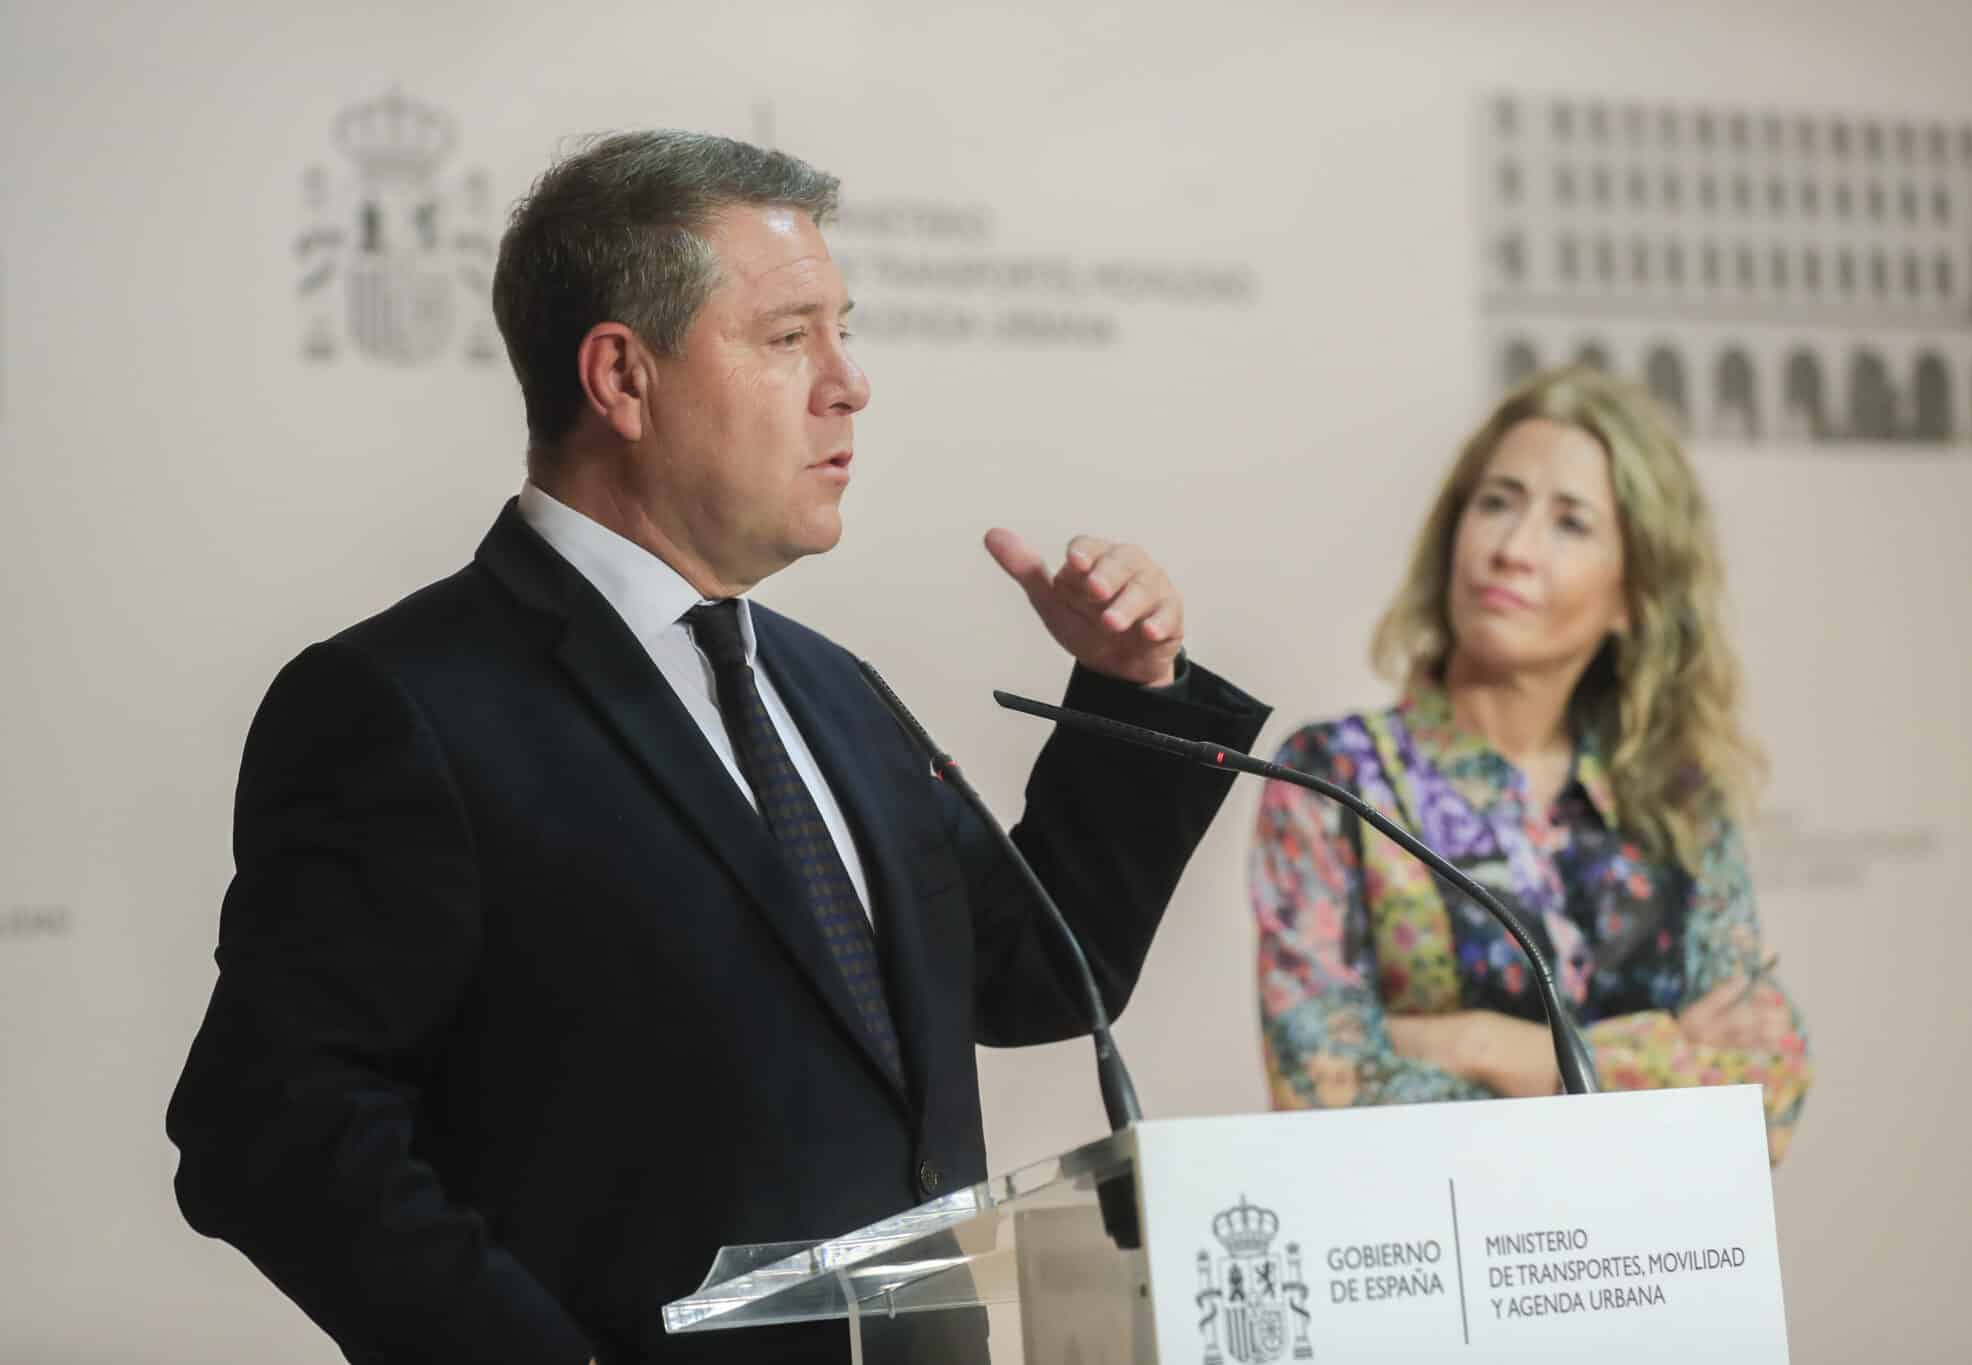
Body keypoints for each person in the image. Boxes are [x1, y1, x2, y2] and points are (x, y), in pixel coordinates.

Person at [167, 130, 1268, 1365]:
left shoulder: (827, 688)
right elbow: (274, 1127)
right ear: (621, 379)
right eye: (789, 336)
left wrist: (1128, 698)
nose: (848, 383)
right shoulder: (403, 705)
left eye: (844, 332)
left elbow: (1033, 978)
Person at [1250, 365, 1810, 1163]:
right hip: (1425, 1263)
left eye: (1570, 523)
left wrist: (1475, 1041)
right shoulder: (1333, 777)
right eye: (1496, 502)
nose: (1512, 549)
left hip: (1650, 1268)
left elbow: (1769, 1093)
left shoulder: (1675, 798)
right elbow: (1324, 1088)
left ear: (1634, 594)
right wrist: (1663, 1048)